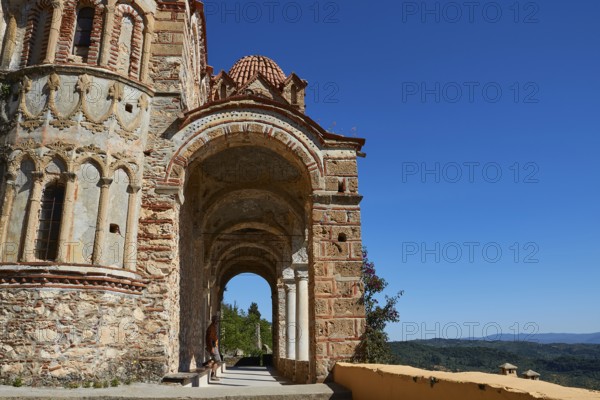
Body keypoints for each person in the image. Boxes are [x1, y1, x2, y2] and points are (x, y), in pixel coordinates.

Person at [205, 315, 221, 381]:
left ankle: (208, 363)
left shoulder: (213, 327)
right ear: (214, 320)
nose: (218, 321)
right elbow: (210, 339)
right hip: (213, 346)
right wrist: (212, 348)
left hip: (214, 346)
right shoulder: (211, 328)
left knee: (215, 360)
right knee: (217, 360)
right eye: (217, 320)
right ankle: (212, 375)